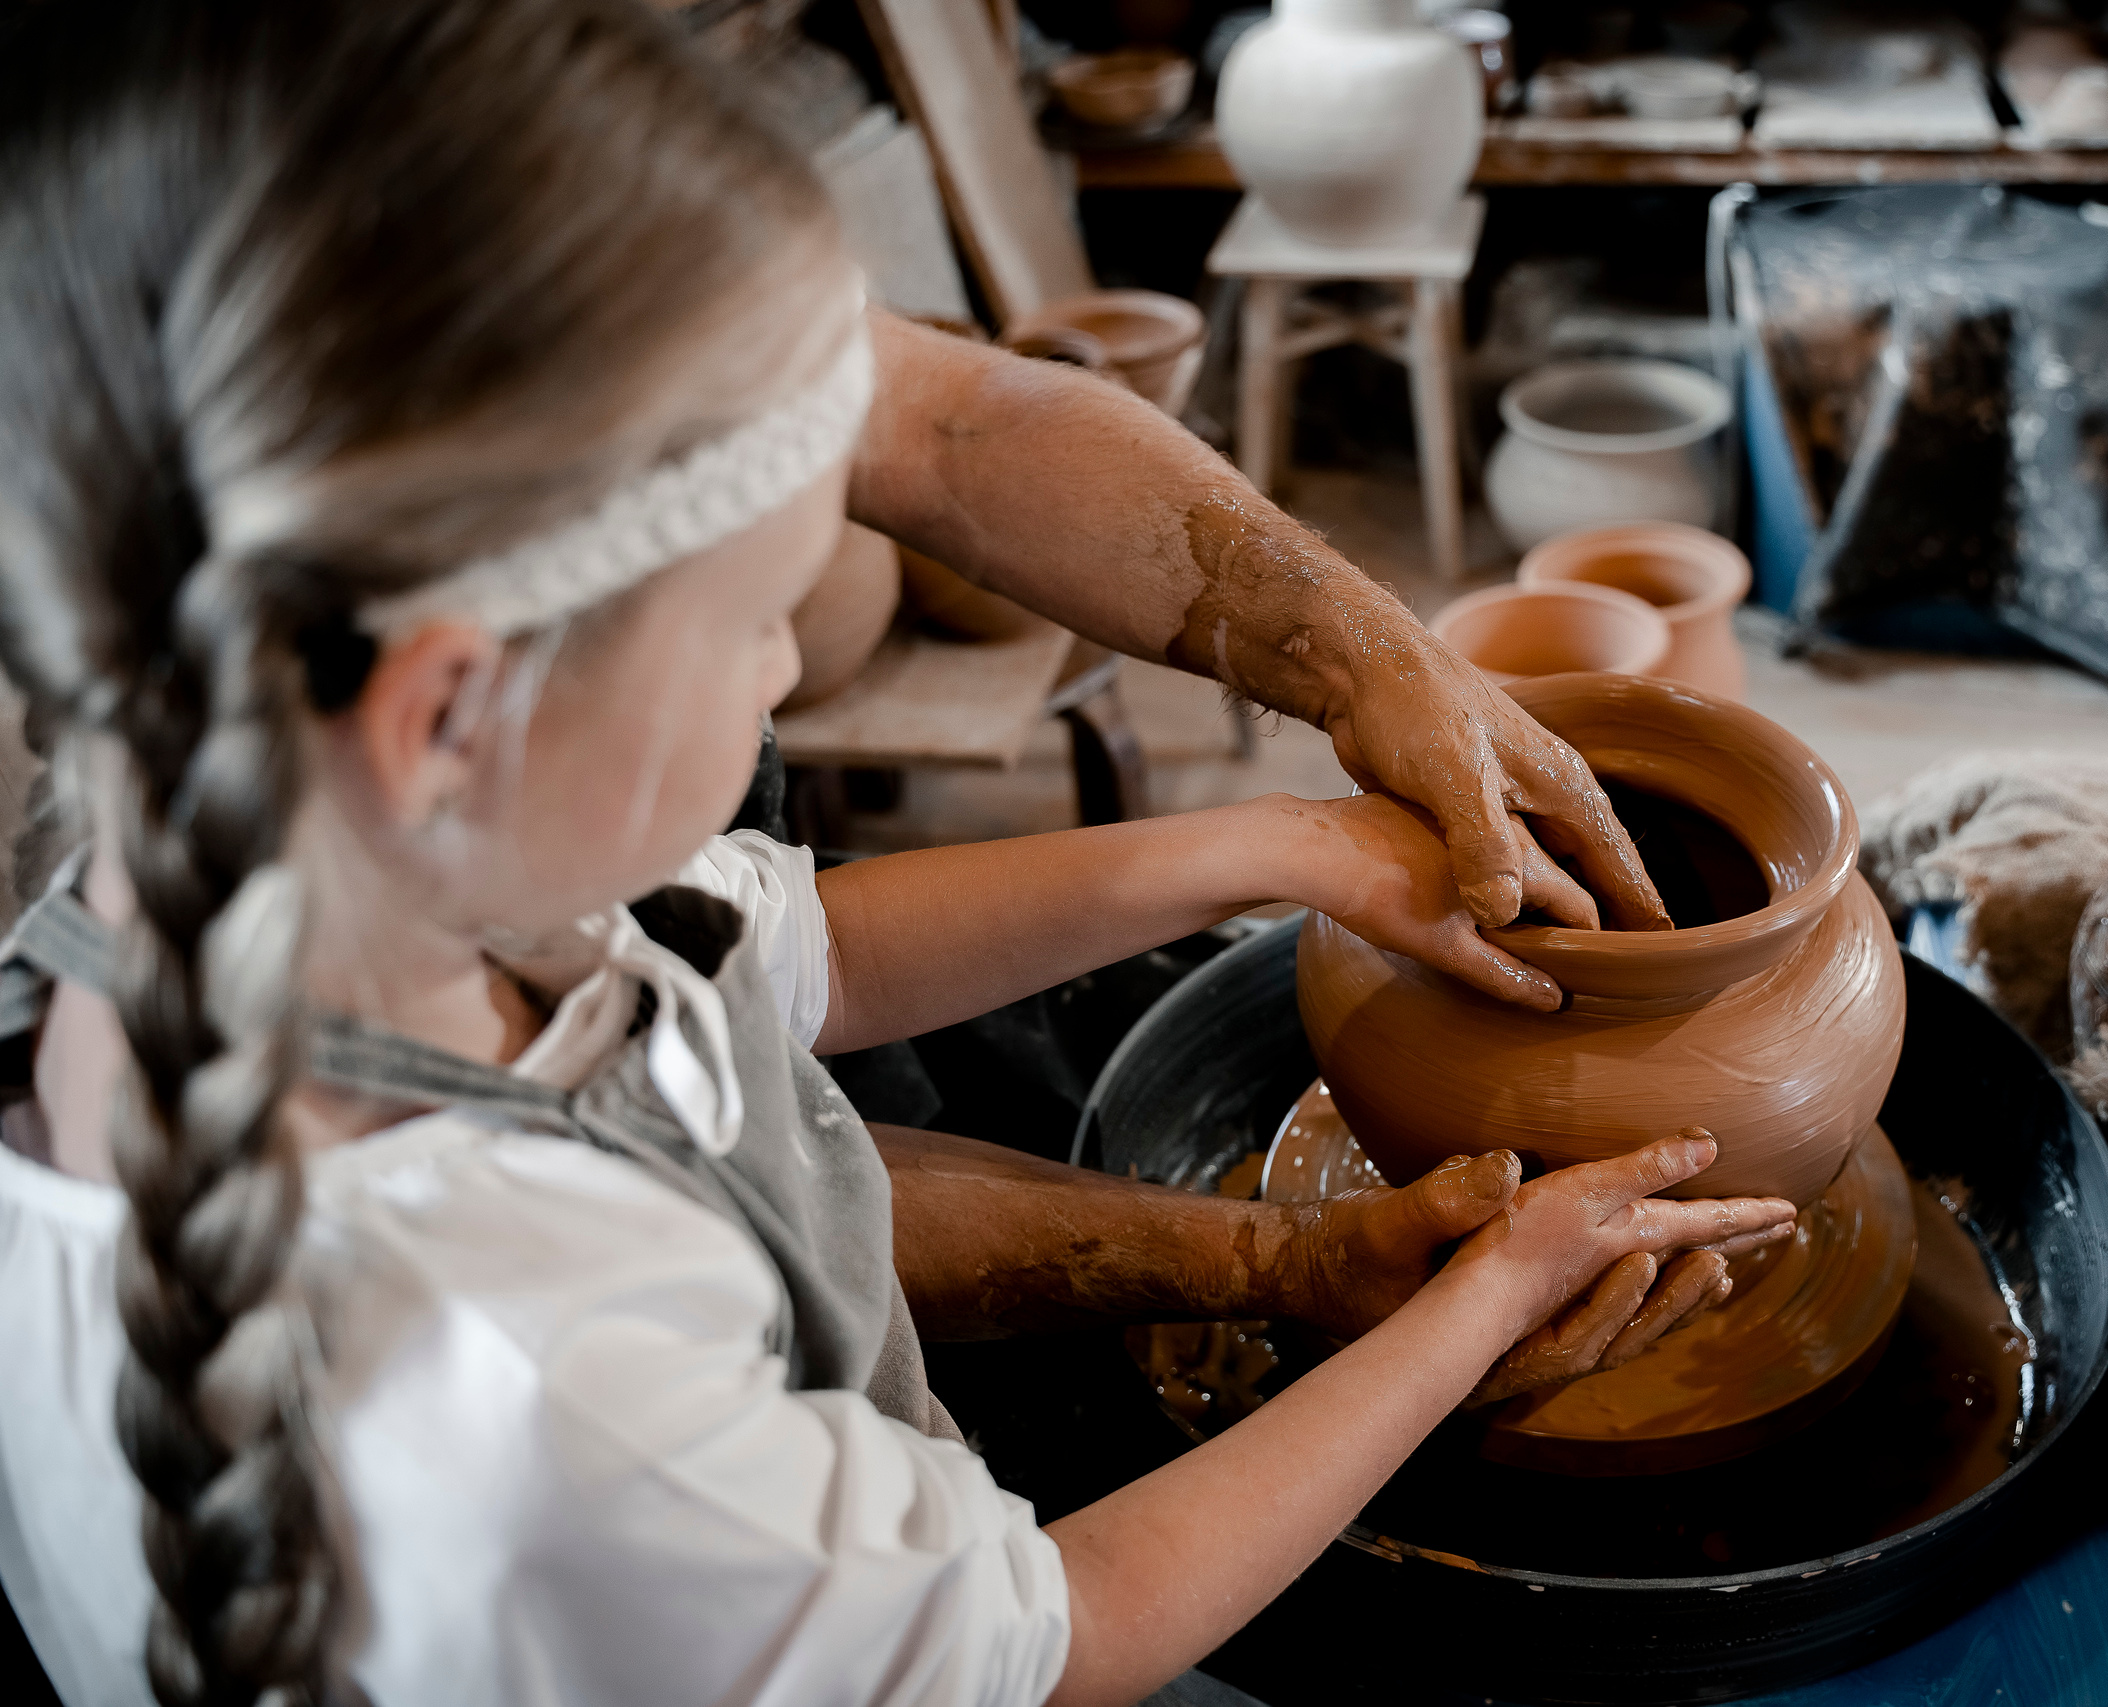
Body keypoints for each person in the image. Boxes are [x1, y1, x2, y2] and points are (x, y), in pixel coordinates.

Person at [0, 4, 1798, 1705]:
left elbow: (808, 964)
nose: (793, 675)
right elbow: (1064, 1638)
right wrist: (1477, 1304)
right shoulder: (550, 1391)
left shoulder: (291, 870)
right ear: (449, 708)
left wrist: (1287, 843)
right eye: (767, 616)